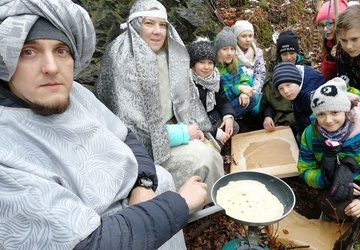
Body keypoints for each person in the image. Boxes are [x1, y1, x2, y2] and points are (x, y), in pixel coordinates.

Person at [0, 0, 207, 249]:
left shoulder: (75, 93)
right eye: (29, 52)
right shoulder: (6, 149)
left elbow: (124, 135)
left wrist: (143, 183)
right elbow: (87, 243)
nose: (51, 68)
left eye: (61, 51)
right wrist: (179, 205)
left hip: (147, 206)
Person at [94, 0, 224, 199]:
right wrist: (183, 132)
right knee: (204, 157)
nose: (157, 31)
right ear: (136, 25)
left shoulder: (169, 56)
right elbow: (131, 129)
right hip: (143, 150)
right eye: (149, 23)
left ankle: (206, 203)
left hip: (172, 129)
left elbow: (183, 101)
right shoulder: (121, 59)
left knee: (210, 147)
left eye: (162, 25)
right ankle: (185, 206)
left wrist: (194, 127)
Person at [298, 77, 360, 221]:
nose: (328, 120)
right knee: (339, 210)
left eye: (334, 112)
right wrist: (328, 179)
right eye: (321, 114)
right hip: (331, 184)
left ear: (346, 112)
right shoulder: (310, 135)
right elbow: (304, 170)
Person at [187, 37, 239, 146]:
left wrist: (228, 116)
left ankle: (218, 146)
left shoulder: (215, 78)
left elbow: (222, 100)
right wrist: (216, 132)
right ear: (193, 64)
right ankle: (216, 148)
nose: (206, 67)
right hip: (196, 124)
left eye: (210, 63)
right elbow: (191, 116)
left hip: (212, 117)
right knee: (207, 142)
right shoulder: (188, 83)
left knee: (233, 126)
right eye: (201, 62)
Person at [260, 30, 307, 132]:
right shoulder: (273, 72)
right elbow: (269, 100)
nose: (289, 58)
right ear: (279, 55)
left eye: (292, 53)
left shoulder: (307, 68)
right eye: (284, 54)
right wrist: (268, 116)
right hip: (281, 117)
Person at [272, 62, 325, 141]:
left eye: (288, 84)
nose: (286, 91)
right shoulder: (296, 92)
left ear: (297, 80)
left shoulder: (311, 97)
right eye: (281, 88)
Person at [215, 26, 257, 119]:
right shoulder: (214, 68)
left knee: (253, 98)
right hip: (221, 106)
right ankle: (224, 122)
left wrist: (244, 92)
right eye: (225, 49)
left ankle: (236, 118)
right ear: (218, 51)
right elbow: (220, 97)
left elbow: (244, 78)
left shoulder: (234, 62)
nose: (229, 53)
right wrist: (239, 88)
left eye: (232, 49)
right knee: (242, 101)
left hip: (233, 99)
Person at [315, 0, 350, 81]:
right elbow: (326, 77)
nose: (325, 29)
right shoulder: (328, 44)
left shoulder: (352, 44)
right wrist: (330, 59)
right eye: (321, 25)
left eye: (329, 24)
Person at [232, 20, 266, 95]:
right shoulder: (231, 52)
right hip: (236, 89)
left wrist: (253, 91)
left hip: (253, 90)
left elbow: (260, 74)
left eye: (250, 36)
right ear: (236, 37)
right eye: (243, 36)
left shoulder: (257, 52)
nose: (248, 40)